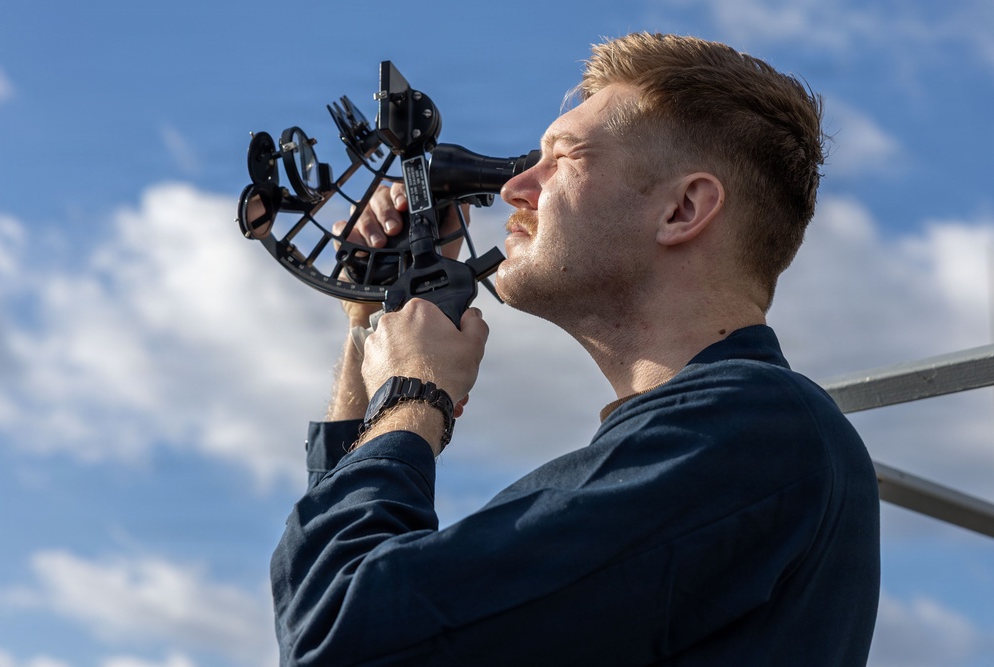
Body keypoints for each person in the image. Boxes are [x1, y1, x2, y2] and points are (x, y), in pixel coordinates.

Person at [271, 32, 880, 666]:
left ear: (683, 209)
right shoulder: (712, 447)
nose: (514, 188)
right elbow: (342, 587)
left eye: (564, 158)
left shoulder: (759, 433)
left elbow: (341, 635)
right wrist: (370, 322)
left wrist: (416, 394)